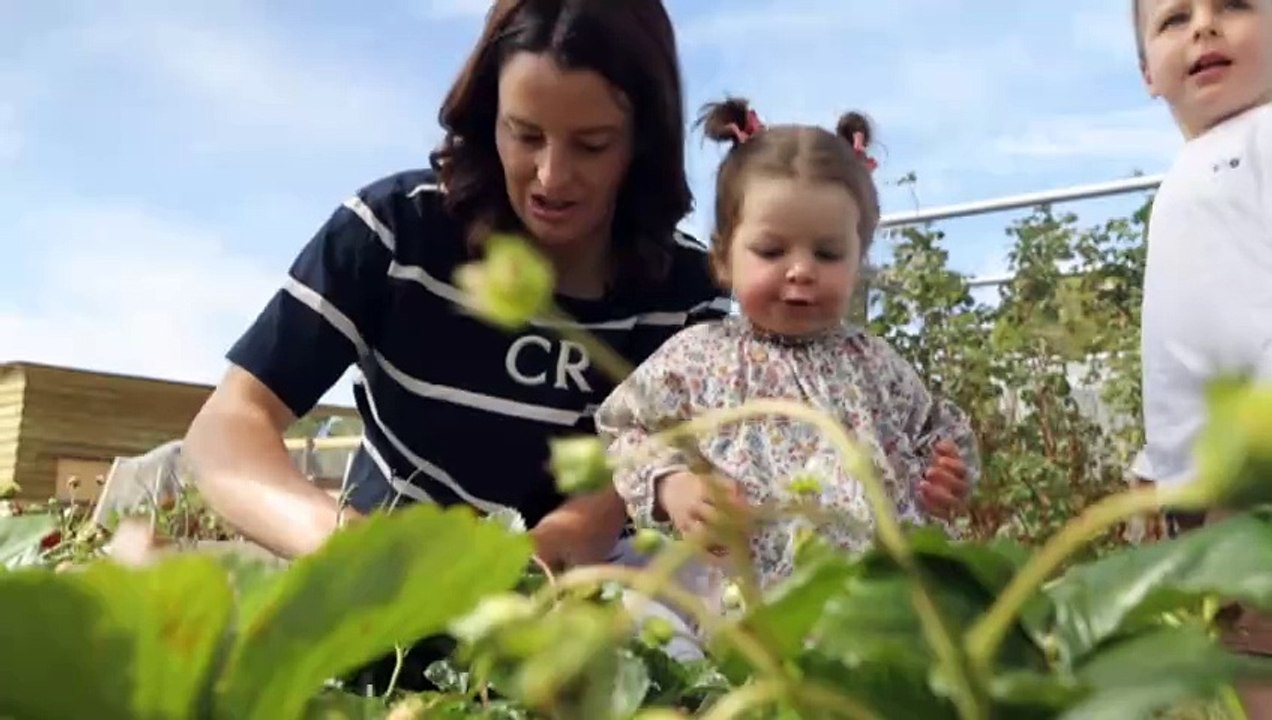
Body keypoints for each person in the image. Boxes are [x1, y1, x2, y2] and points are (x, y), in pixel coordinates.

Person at [183, 0, 733, 691]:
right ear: (486, 114)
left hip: (583, 623)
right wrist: (356, 553)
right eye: (524, 134)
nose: (552, 177)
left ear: (643, 141)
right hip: (386, 622)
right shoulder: (393, 232)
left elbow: (644, 480)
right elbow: (227, 427)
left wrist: (549, 554)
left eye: (592, 144)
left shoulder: (689, 293)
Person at [595, 97, 979, 607]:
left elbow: (938, 431)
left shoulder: (877, 365)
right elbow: (625, 430)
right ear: (724, 258)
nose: (801, 270)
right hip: (743, 606)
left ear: (858, 259)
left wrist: (949, 474)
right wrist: (673, 485)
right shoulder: (696, 359)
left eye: (828, 253)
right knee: (644, 613)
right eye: (772, 251)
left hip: (878, 603)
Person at [1129, 0, 1272, 714]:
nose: (1204, 27)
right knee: (1231, 672)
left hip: (1255, 484)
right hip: (1202, 498)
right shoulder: (1189, 171)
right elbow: (1181, 348)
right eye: (1174, 18)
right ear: (1146, 69)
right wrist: (1154, 468)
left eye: (1234, 6)